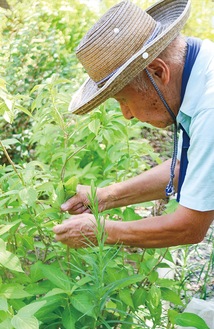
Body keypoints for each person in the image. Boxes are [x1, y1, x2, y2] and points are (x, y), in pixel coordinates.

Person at [53, 0, 214, 249]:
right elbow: (188, 166)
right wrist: (103, 197)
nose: (126, 114)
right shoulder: (198, 72)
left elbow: (190, 225)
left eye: (124, 99)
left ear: (159, 72)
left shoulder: (209, 108)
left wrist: (102, 231)